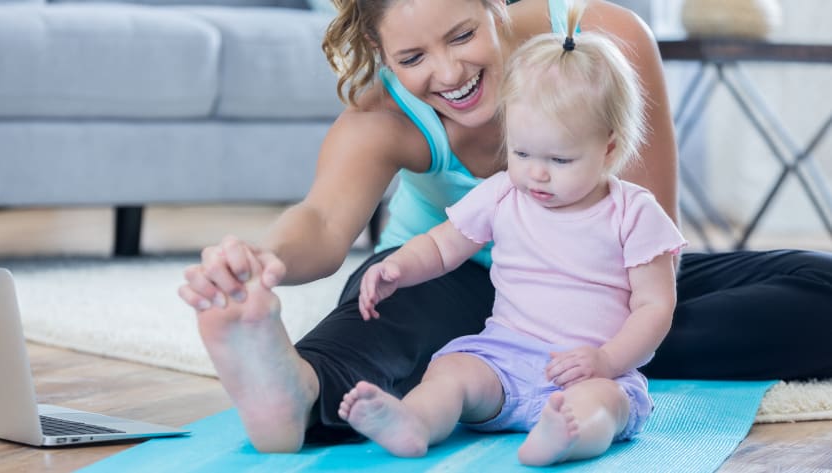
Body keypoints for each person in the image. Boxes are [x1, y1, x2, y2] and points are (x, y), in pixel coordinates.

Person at [178, 0, 832, 453]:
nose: (448, 72)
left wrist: (607, 346)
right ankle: (299, 389)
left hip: (598, 287)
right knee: (392, 299)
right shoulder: (384, 115)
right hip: (452, 278)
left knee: (815, 287)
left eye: (462, 36)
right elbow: (320, 222)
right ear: (380, 52)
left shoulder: (601, 42)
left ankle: (553, 368)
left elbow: (645, 234)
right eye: (413, 57)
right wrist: (257, 257)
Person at [338, 14, 686, 465]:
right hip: (503, 358)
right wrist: (398, 267)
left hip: (590, 369)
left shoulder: (634, 212)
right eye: (521, 153)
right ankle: (415, 421)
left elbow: (656, 306)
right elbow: (443, 245)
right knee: (452, 373)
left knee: (606, 405)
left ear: (609, 149)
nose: (536, 173)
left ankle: (566, 436)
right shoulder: (504, 192)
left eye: (559, 159)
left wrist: (608, 360)